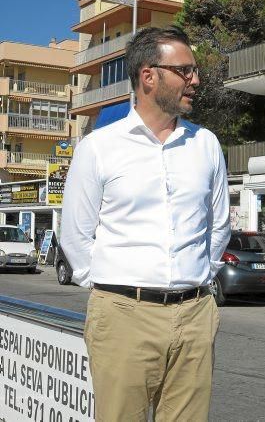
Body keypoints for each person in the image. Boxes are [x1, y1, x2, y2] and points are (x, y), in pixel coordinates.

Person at [61, 26, 230, 421]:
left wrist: (201, 277)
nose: (196, 80)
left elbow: (218, 224)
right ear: (149, 76)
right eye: (185, 71)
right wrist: (113, 290)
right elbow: (75, 235)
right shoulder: (99, 148)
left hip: (194, 314)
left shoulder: (205, 144)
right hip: (123, 315)